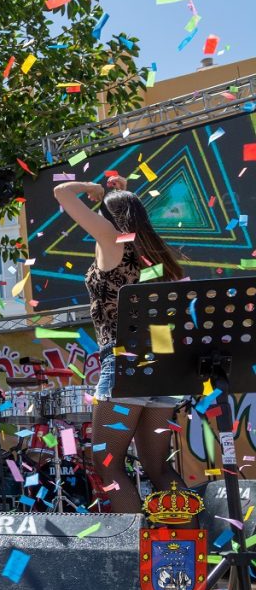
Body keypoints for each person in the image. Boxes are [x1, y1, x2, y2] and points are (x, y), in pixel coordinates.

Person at [53, 176, 185, 512]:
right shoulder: (150, 255)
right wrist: (113, 194)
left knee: (108, 466)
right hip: (162, 363)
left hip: (124, 362)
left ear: (110, 219)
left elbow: (60, 192)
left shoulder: (111, 239)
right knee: (159, 468)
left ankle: (137, 553)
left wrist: (90, 188)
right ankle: (187, 552)